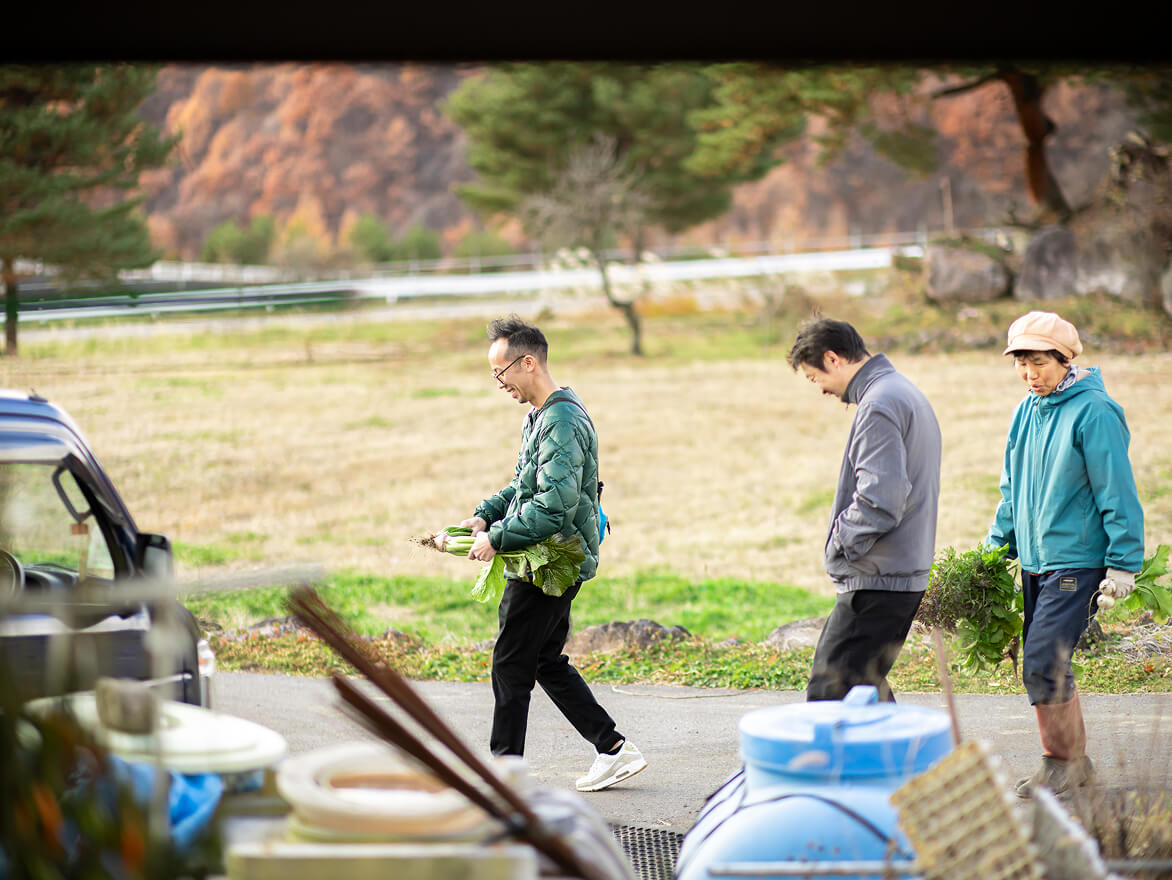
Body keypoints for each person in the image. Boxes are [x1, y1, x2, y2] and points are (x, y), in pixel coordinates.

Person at [460, 315, 647, 793]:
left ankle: (505, 775)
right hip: (554, 557)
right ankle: (613, 749)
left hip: (550, 561)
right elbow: (526, 486)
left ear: (527, 363)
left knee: (510, 661)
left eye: (500, 372)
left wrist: (497, 539)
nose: (497, 383)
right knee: (542, 659)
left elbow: (553, 507)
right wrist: (485, 515)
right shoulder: (542, 416)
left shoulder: (561, 420)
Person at [986, 310, 1144, 798]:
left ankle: (1062, 763)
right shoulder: (1026, 410)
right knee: (1046, 661)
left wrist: (1122, 563)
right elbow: (1011, 487)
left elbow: (1117, 490)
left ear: (1064, 358)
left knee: (1042, 659)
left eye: (1038, 362)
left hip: (1076, 560)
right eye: (1021, 364)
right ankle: (1072, 762)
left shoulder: (1095, 411)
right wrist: (994, 549)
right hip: (1036, 560)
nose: (1029, 374)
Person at [787, 318, 942, 703]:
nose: (820, 389)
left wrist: (841, 543)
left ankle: (867, 765)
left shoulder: (879, 404)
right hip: (898, 572)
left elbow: (881, 500)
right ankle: (909, 765)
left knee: (830, 691)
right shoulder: (901, 391)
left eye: (813, 377)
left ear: (833, 359)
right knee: (863, 686)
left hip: (879, 578)